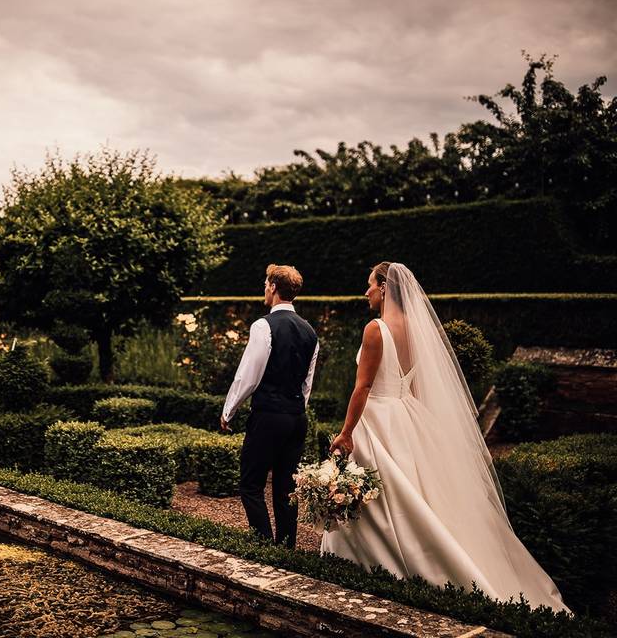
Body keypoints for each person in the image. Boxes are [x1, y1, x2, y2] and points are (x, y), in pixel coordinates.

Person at [322, 262, 569, 612]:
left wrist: (346, 433)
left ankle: (372, 563)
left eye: (370, 286)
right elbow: (419, 387)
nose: (366, 293)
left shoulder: (375, 329)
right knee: (413, 492)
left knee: (379, 491)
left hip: (377, 417)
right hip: (406, 415)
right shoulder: (416, 330)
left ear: (384, 287)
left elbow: (362, 387)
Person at [221, 264, 319, 548]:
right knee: (286, 488)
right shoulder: (310, 332)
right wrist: (294, 409)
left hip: (268, 416)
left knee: (250, 484)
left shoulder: (263, 325)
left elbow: (248, 375)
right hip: (296, 417)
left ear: (274, 288)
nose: (264, 289)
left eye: (266, 284)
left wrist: (229, 410)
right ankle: (286, 549)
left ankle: (264, 546)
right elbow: (306, 385)